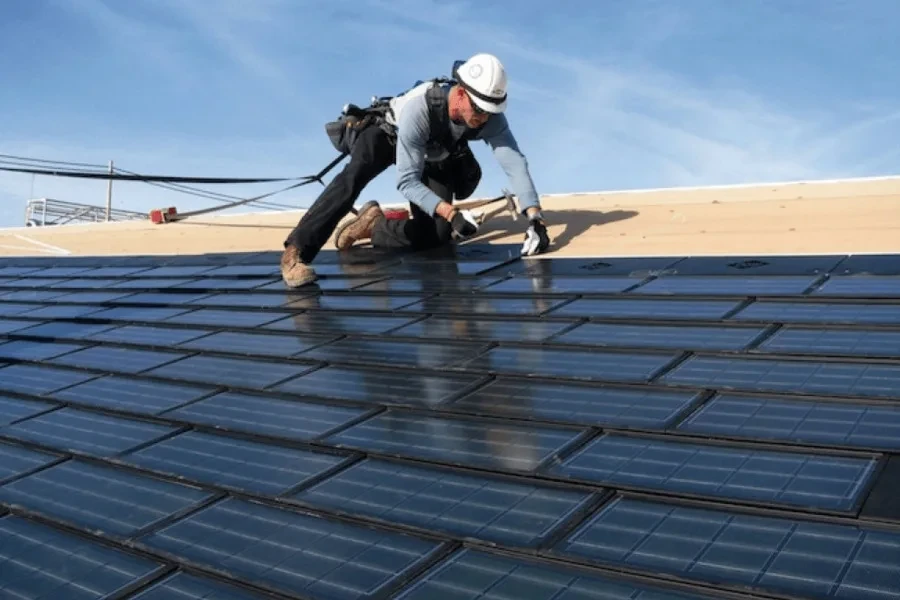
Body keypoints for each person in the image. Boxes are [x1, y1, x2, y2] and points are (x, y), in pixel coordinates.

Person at [280, 53, 551, 288]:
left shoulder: (489, 118)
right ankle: (296, 252)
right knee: (353, 177)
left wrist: (536, 220)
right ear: (460, 91)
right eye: (479, 109)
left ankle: (374, 225)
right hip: (388, 135)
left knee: (436, 236)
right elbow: (407, 180)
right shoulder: (420, 108)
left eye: (490, 112)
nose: (483, 118)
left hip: (432, 151)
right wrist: (451, 212)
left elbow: (514, 162)